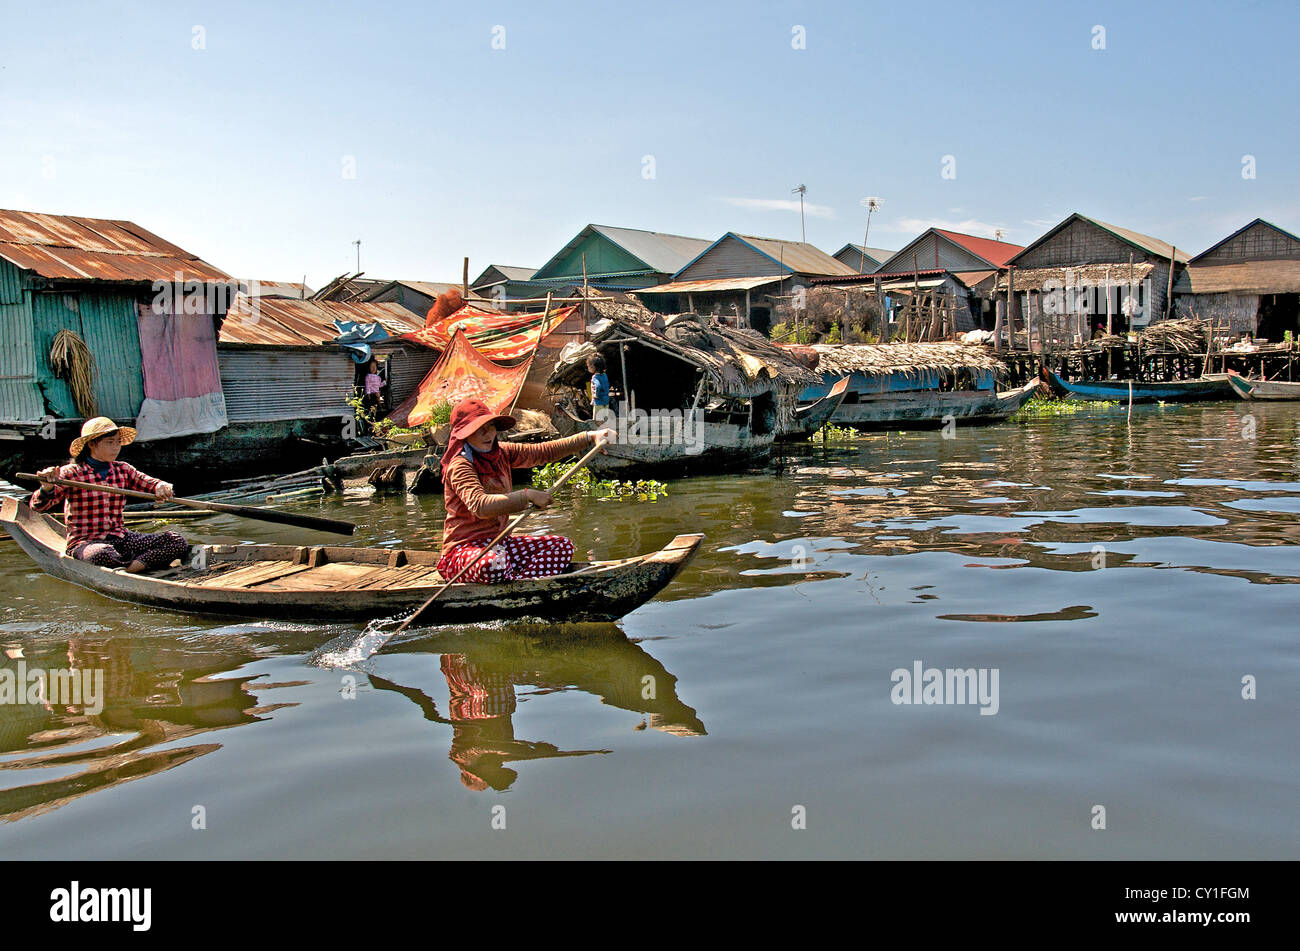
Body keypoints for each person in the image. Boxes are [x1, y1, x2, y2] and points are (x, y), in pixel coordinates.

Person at [438, 398, 614, 584]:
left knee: (562, 546)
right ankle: (511, 579)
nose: (487, 433)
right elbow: (480, 506)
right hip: (462, 553)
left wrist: (589, 437)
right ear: (465, 435)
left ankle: (519, 583)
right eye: (478, 428)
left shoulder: (501, 453)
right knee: (494, 563)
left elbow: (542, 452)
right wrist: (527, 496)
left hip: (499, 545)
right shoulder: (460, 465)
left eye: (490, 426)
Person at [31, 417, 186, 573]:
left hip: (120, 538)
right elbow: (39, 507)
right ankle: (134, 563)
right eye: (110, 442)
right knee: (102, 554)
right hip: (86, 543)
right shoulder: (71, 473)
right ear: (91, 444)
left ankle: (131, 569)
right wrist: (47, 487)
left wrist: (162, 487)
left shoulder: (122, 469)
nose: (116, 448)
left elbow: (149, 483)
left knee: (175, 541)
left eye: (118, 442)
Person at [587, 353, 612, 424]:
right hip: (606, 401)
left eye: (589, 366)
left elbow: (597, 386)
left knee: (597, 421)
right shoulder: (604, 375)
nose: (588, 368)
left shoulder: (595, 377)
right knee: (605, 419)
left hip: (598, 402)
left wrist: (596, 395)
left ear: (593, 367)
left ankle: (599, 433)